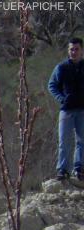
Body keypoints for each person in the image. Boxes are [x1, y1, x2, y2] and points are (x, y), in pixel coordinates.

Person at [48, 37, 84, 181]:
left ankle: (79, 168)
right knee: (64, 141)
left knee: (82, 141)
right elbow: (52, 85)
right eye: (71, 49)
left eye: (76, 49)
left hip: (82, 110)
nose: (73, 52)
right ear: (68, 51)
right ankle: (62, 170)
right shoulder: (61, 68)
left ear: (82, 50)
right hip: (66, 110)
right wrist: (62, 98)